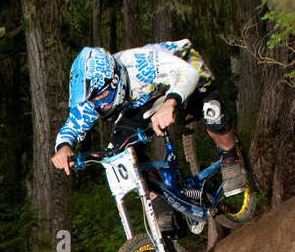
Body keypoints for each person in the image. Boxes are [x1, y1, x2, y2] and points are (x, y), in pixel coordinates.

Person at [51, 42, 247, 227]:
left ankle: (230, 156)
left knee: (212, 111)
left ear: (115, 79)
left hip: (185, 70)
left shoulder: (140, 63)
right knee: (120, 152)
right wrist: (64, 148)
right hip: (147, 97)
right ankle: (161, 202)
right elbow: (72, 125)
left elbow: (186, 72)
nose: (100, 104)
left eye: (102, 96)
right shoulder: (94, 94)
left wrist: (170, 103)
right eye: (94, 100)